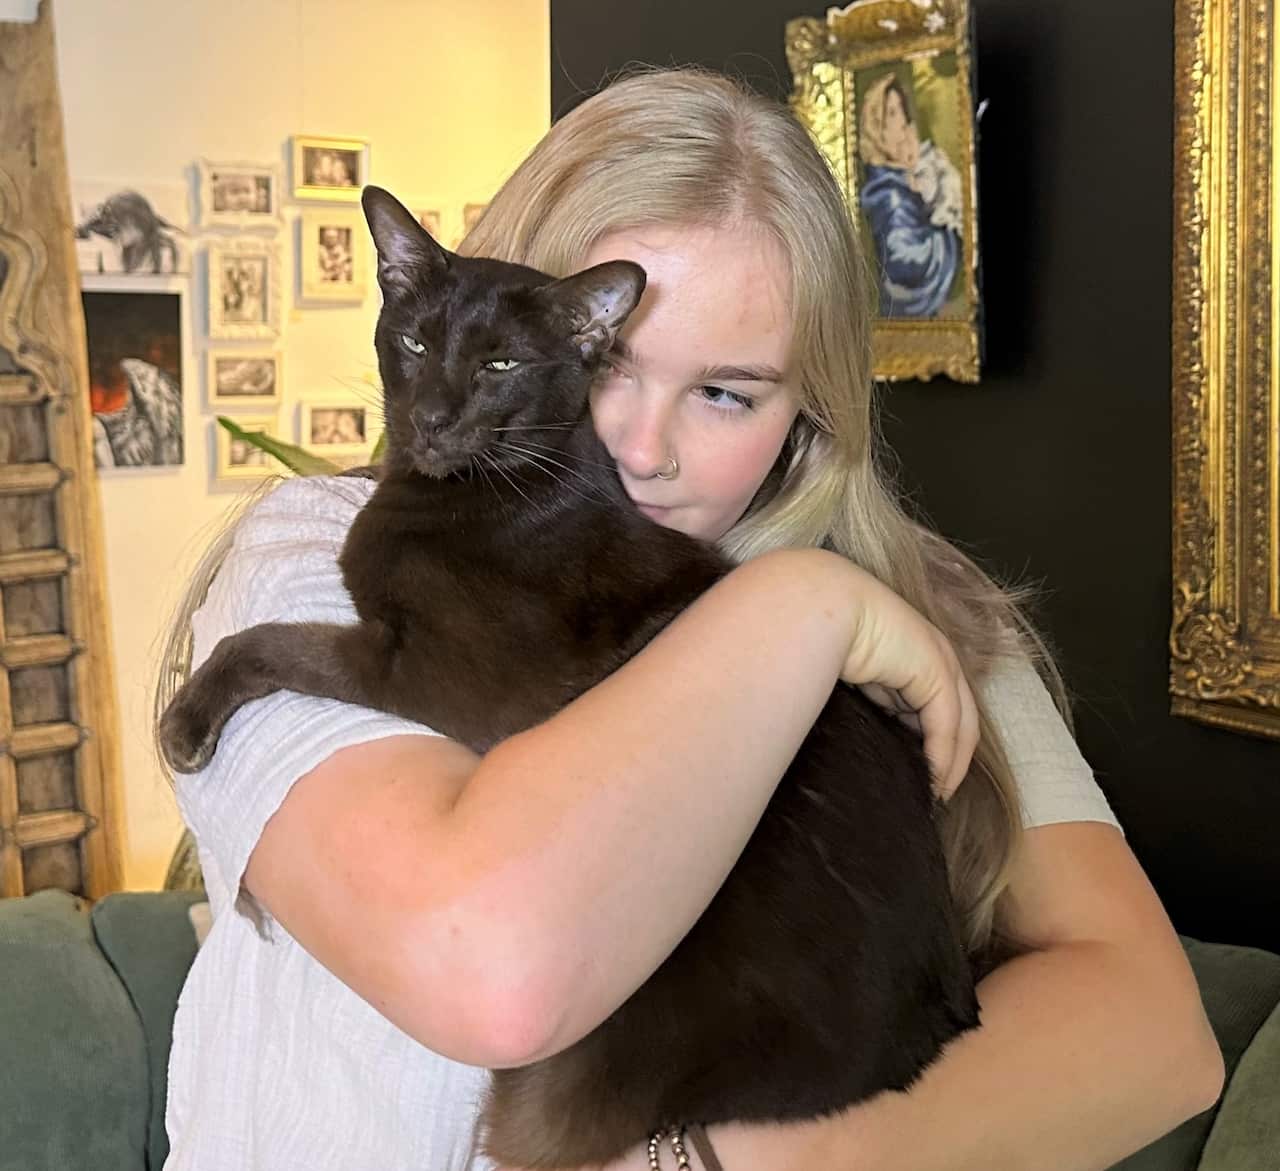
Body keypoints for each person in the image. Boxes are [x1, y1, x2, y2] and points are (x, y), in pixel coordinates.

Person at [157, 68, 1222, 1171]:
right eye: (609, 367)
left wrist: (705, 1163)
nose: (639, 446)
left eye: (725, 392)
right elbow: (488, 967)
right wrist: (796, 613)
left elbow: (1157, 1038)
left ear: (807, 412)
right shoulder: (311, 553)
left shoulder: (907, 614)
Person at [859, 73, 964, 318]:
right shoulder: (886, 192)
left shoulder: (903, 174)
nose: (902, 121)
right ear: (877, 127)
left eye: (901, 110)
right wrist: (950, 239)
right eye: (892, 114)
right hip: (908, 303)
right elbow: (905, 260)